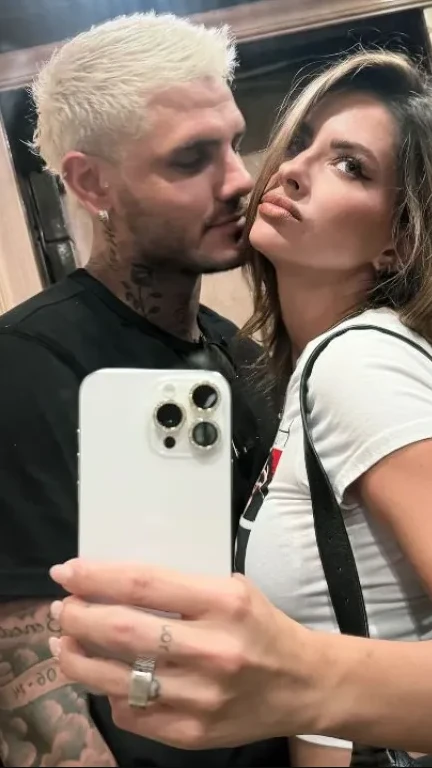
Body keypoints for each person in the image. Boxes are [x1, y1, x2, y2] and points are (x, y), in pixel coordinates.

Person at [49, 49, 432, 766]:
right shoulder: (296, 367)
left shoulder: (359, 362)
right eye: (302, 142)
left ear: (399, 242)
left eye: (350, 166)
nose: (290, 169)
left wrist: (295, 678)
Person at [0, 12, 289, 768]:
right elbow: (32, 693)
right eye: (191, 158)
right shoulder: (24, 368)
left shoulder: (239, 356)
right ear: (91, 183)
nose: (239, 179)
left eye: (232, 142)